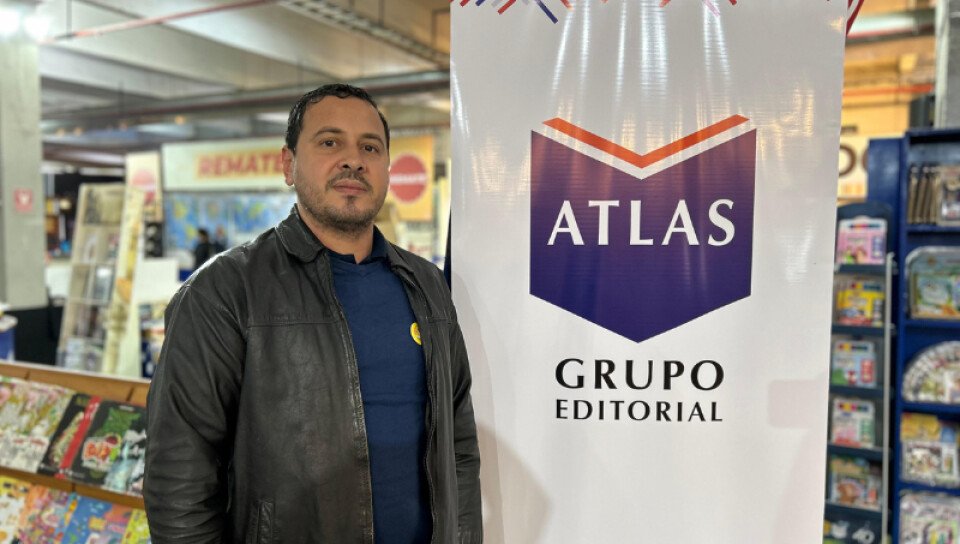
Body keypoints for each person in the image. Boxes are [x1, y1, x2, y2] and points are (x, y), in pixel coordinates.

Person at [144, 84, 483, 543]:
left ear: (386, 167)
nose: (353, 160)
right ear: (288, 164)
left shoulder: (427, 285)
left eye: (370, 147)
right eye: (329, 142)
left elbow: (458, 445)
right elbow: (178, 479)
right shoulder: (223, 292)